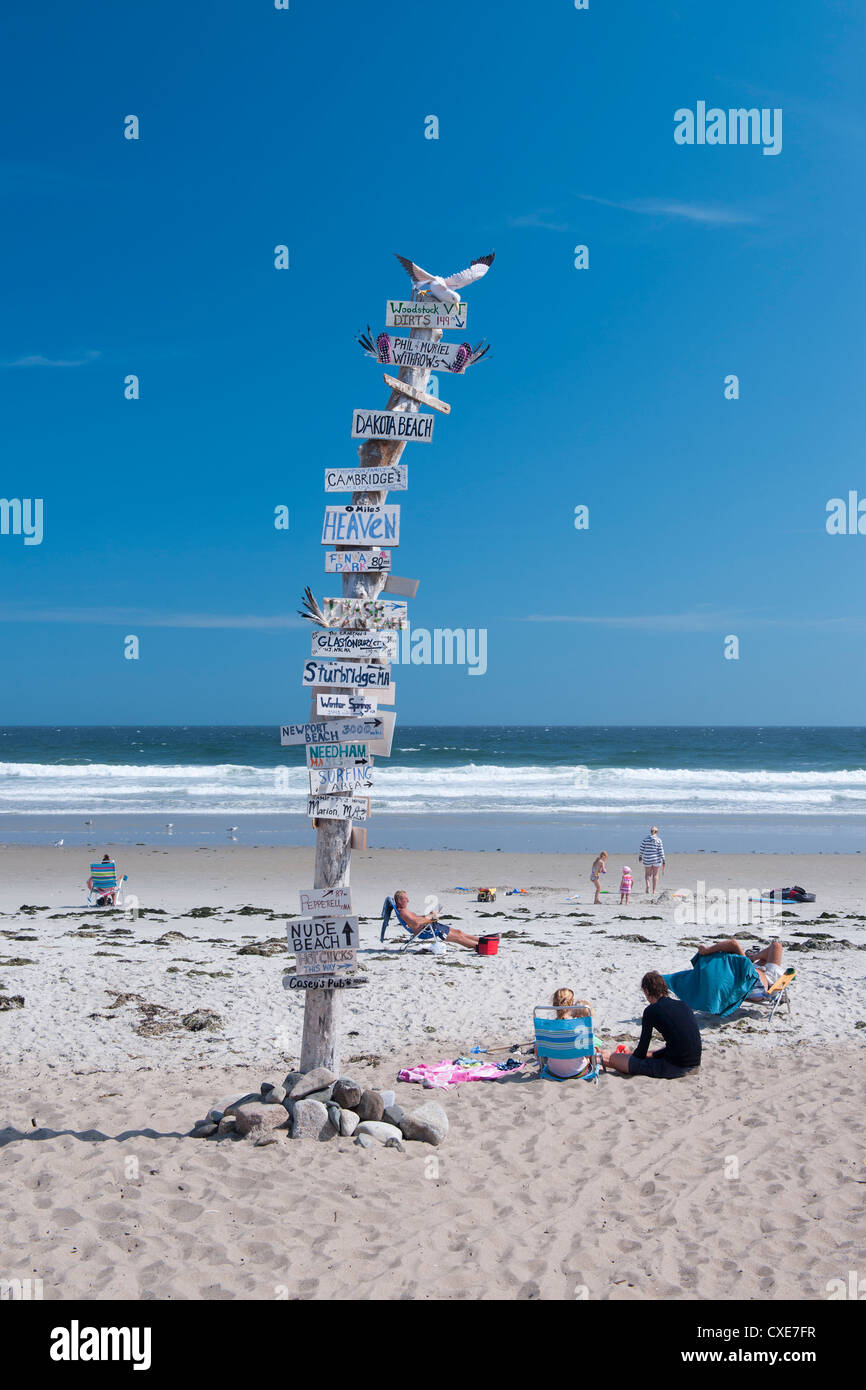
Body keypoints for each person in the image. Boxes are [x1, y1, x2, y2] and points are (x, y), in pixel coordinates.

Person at [601, 970, 701, 1078]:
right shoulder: (683, 1005)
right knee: (651, 1054)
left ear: (647, 991)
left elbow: (641, 1052)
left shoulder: (651, 1011)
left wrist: (629, 1056)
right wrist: (650, 1055)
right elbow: (682, 1042)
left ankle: (596, 1058)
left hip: (676, 1067)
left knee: (614, 1058)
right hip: (694, 1063)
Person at [393, 890, 480, 951]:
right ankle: (478, 946)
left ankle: (481, 940)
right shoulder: (403, 912)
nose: (408, 900)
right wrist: (430, 917)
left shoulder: (404, 911)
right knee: (458, 938)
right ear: (399, 900)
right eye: (406, 899)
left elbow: (416, 919)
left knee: (459, 932)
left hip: (428, 927)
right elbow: (416, 922)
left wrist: (428, 915)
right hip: (426, 931)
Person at [696, 937, 785, 995]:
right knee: (776, 946)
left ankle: (752, 957)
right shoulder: (743, 968)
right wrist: (706, 950)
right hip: (760, 984)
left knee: (763, 960)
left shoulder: (723, 976)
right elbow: (733, 944)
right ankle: (752, 957)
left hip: (750, 983)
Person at [540, 987, 593, 1078]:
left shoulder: (547, 1027)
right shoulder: (579, 1027)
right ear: (572, 1004)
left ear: (554, 1004)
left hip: (553, 1071)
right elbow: (588, 1053)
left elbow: (539, 1052)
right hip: (577, 1072)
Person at [638, 826, 665, 896]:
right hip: (656, 859)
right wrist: (663, 859)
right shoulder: (659, 840)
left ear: (650, 831)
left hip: (647, 858)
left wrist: (640, 856)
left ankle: (648, 886)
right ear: (657, 832)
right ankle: (654, 890)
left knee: (647, 874)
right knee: (655, 875)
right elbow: (661, 850)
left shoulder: (645, 839)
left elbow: (642, 848)